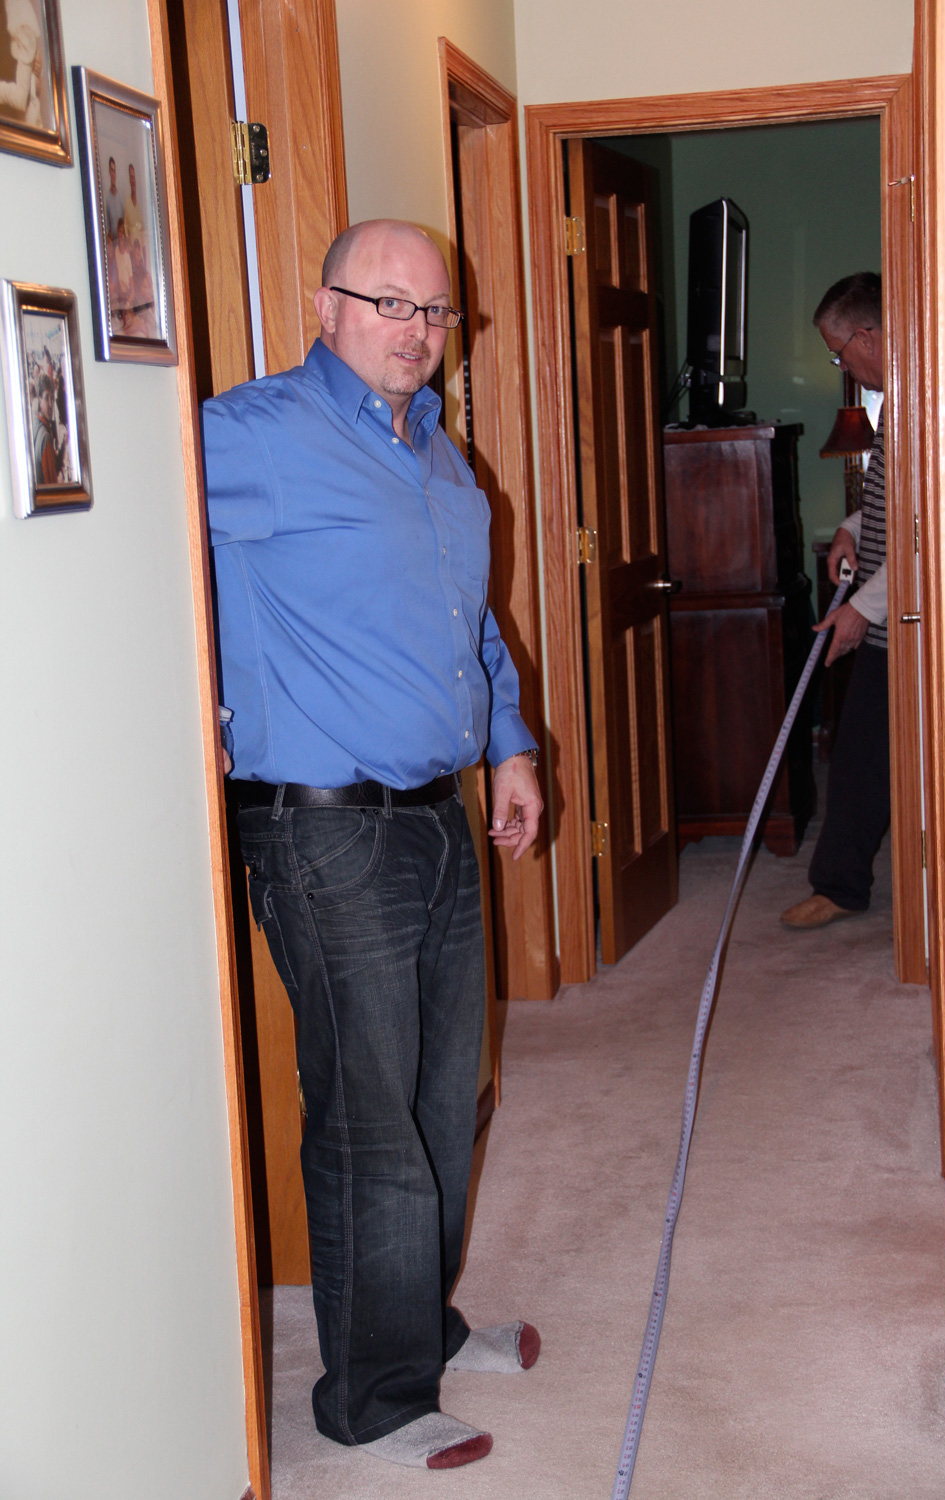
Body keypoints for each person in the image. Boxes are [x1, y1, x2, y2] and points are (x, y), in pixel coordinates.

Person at [201, 219, 543, 1471]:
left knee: (443, 1098)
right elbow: (108, 520)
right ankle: (374, 1401)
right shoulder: (251, 435)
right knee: (367, 1120)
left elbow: (472, 627)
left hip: (439, 817)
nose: (414, 330)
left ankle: (421, 1326)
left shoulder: (441, 452)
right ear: (326, 304)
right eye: (387, 303)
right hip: (324, 829)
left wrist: (510, 748)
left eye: (434, 310)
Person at [782, 272, 889, 929]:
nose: (841, 365)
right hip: (886, 617)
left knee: (867, 749)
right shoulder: (893, 408)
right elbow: (889, 503)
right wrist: (849, 530)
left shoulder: (922, 402)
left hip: (905, 621)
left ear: (867, 336)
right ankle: (842, 885)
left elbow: (929, 540)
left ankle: (843, 884)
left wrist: (861, 610)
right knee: (860, 751)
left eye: (838, 351)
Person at [33, 372, 65, 485]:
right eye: (47, 398)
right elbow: (52, 486)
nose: (51, 404)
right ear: (40, 400)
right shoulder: (45, 436)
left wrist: (63, 446)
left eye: (52, 398)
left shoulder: (36, 426)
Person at [104, 156, 124, 246]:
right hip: (114, 245)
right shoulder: (107, 199)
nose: (113, 173)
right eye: (112, 170)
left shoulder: (120, 198)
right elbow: (108, 227)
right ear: (109, 171)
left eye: (114, 171)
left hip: (122, 244)